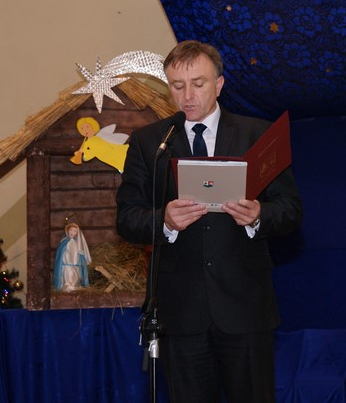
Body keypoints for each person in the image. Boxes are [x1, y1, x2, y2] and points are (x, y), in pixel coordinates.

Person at [116, 40, 303, 403]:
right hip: (180, 312)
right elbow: (126, 218)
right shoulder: (151, 142)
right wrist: (164, 221)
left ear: (219, 84)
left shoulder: (257, 134)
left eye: (198, 84)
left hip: (245, 309)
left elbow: (291, 209)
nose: (187, 96)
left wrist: (258, 216)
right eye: (177, 85)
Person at [52, 223, 92, 291]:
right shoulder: (63, 242)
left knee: (75, 281)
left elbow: (81, 255)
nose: (72, 232)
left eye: (75, 231)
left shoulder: (78, 244)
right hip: (66, 267)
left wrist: (80, 263)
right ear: (67, 231)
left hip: (76, 266)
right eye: (71, 230)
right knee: (67, 281)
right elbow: (59, 255)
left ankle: (75, 286)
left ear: (77, 233)